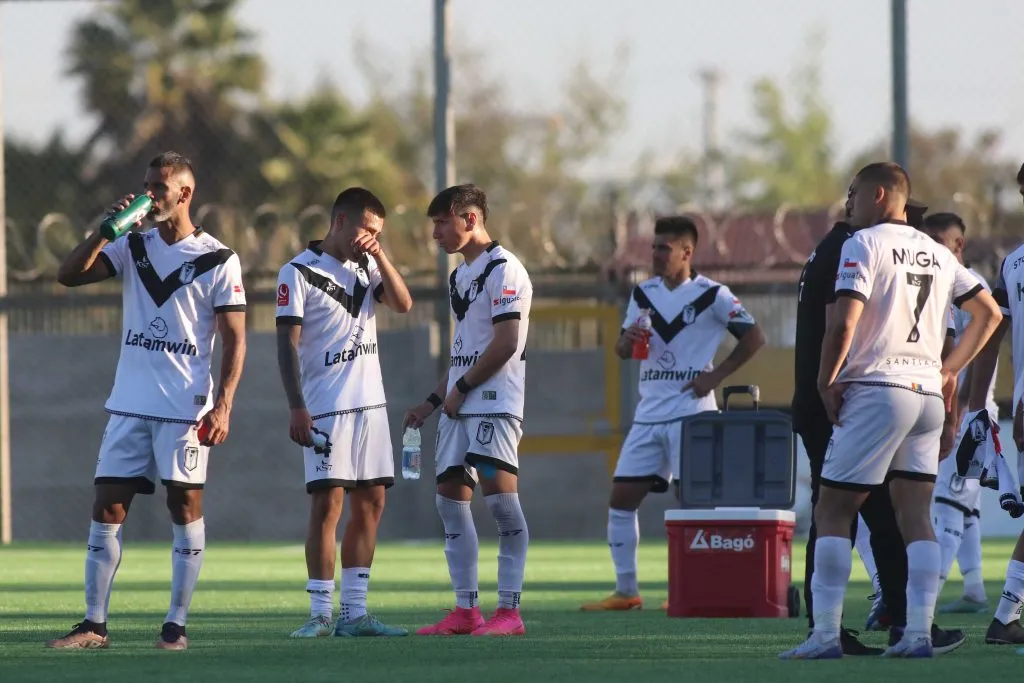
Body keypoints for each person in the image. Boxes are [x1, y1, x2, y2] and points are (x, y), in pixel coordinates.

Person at [780, 161, 1000, 659]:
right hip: (926, 395)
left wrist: (824, 380)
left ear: (880, 195)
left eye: (854, 193)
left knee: (833, 510)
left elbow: (843, 325)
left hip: (878, 389)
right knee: (915, 516)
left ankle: (823, 636)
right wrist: (949, 370)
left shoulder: (863, 243)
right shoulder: (939, 252)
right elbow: (988, 311)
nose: (847, 202)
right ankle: (917, 634)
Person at [48, 152, 247, 650]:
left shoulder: (218, 259)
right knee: (107, 507)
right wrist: (103, 232)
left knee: (183, 507)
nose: (149, 195)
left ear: (185, 193)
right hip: (130, 404)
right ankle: (94, 625)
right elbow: (68, 275)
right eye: (146, 186)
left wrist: (223, 404)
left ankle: (175, 628)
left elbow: (236, 338)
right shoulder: (131, 245)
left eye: (159, 187)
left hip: (185, 408)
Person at [579, 216, 766, 611]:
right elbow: (622, 350)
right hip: (649, 413)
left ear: (687, 252)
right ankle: (627, 591)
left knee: (694, 502)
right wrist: (625, 341)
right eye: (653, 247)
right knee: (621, 498)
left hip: (692, 413)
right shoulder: (642, 293)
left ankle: (699, 587)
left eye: (664, 248)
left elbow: (755, 338)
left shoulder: (713, 295)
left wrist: (715, 376)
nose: (656, 255)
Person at [275, 188, 413, 638]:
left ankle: (355, 614)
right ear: (339, 221)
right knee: (328, 504)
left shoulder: (369, 265)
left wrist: (382, 255)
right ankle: (319, 614)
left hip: (371, 405)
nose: (370, 238)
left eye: (378, 232)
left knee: (372, 502)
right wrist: (298, 406)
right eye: (366, 229)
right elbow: (286, 346)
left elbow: (403, 303)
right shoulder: (297, 272)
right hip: (326, 409)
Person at [403, 184, 532, 637]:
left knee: (501, 506)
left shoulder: (505, 269)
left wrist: (461, 390)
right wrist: (433, 402)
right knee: (450, 506)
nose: (435, 233)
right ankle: (466, 611)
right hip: (460, 405)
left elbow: (506, 343)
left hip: (494, 405)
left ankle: (510, 612)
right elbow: (465, 349)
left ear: (470, 219)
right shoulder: (460, 276)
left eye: (442, 223)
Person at [921, 213, 996, 615]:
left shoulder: (973, 289)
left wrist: (963, 404)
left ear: (958, 245)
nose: (931, 245)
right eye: (926, 238)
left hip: (969, 411)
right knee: (966, 505)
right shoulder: (936, 284)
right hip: (956, 408)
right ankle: (975, 589)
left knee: (948, 501)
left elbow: (981, 354)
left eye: (939, 239)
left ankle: (925, 603)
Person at [969, 161, 1024, 645]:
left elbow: (991, 333)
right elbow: (992, 333)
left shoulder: (1012, 263)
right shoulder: (1013, 262)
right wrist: (975, 406)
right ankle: (1005, 617)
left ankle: (1006, 616)